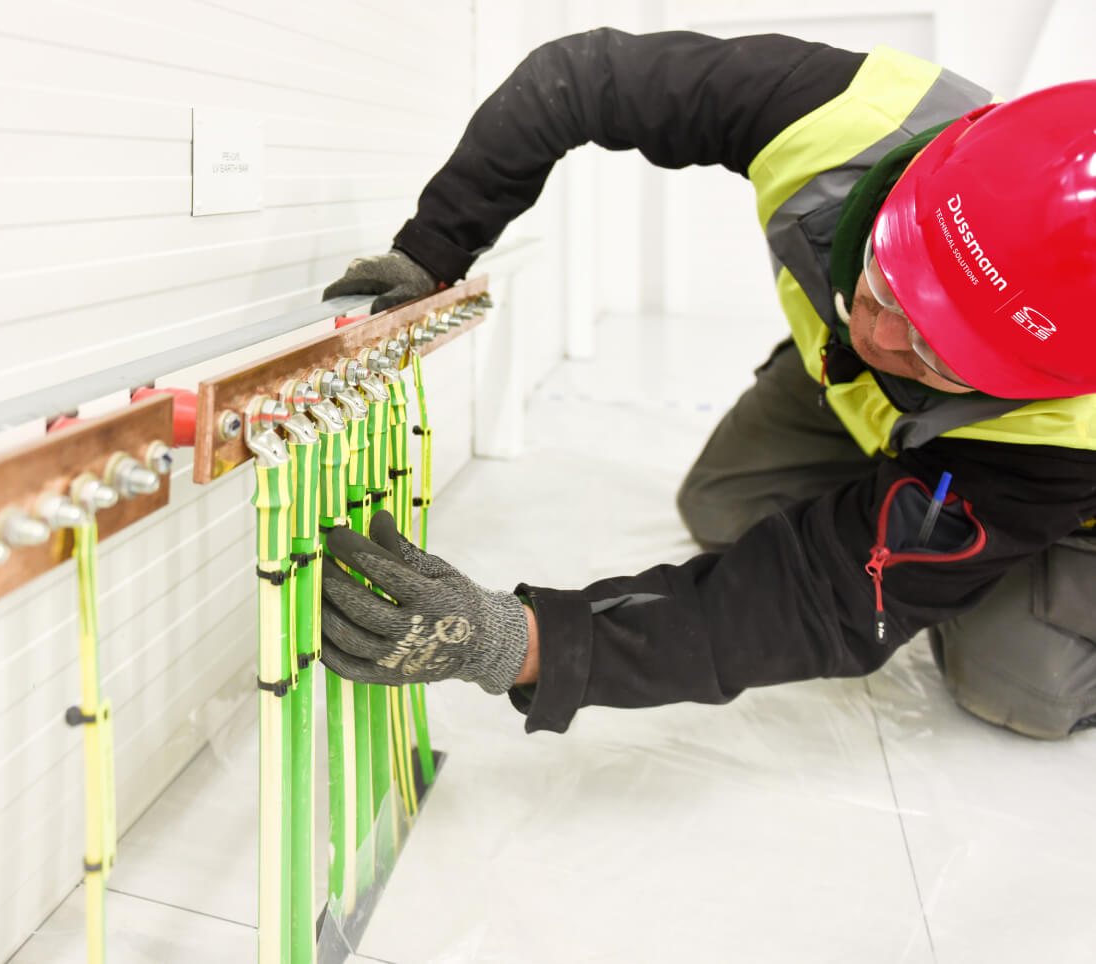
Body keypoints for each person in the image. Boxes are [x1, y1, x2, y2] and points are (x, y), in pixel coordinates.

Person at [317, 28, 1096, 740]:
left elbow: (825, 599)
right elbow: (579, 79)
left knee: (1022, 687)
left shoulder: (1065, 437)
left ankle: (1004, 565)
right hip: (866, 400)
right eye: (889, 282)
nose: (883, 335)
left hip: (1024, 482)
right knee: (721, 505)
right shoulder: (849, 112)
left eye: (937, 347)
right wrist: (432, 251)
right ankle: (917, 480)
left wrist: (522, 642)